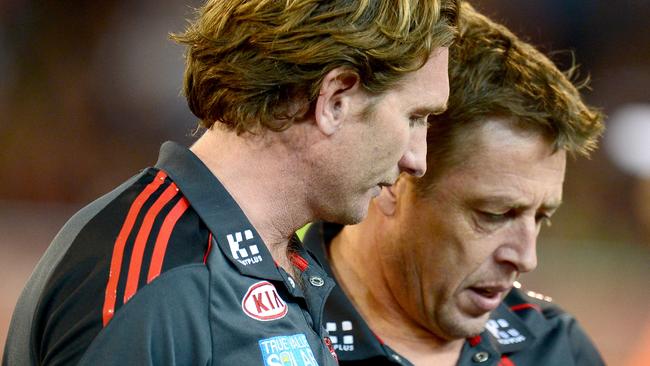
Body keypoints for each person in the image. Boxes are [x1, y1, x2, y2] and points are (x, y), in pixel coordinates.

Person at [2, 1, 459, 365]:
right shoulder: (167, 282)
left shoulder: (268, 261)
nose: (416, 160)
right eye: (415, 117)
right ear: (335, 99)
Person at [303, 3, 606, 365]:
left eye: (541, 217)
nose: (526, 258)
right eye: (495, 214)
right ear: (394, 178)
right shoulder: (263, 330)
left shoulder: (557, 349)